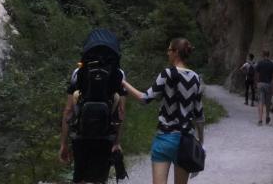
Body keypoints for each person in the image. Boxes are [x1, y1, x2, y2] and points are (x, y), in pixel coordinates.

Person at [123, 37, 205, 184]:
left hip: (165, 139)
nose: (167, 53)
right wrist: (201, 142)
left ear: (176, 52)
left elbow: (145, 98)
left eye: (169, 50)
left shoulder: (167, 74)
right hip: (186, 141)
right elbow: (199, 114)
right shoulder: (196, 78)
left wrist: (123, 83)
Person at [59, 28, 126, 184]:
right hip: (105, 134)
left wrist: (63, 143)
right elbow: (121, 112)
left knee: (80, 176)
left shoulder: (78, 72)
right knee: (100, 178)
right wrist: (117, 142)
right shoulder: (119, 74)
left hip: (81, 133)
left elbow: (68, 111)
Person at [254, 49, 273, 125]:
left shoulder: (260, 63)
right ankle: (267, 116)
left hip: (260, 84)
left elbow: (256, 74)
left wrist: (256, 82)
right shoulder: (272, 64)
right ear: (268, 55)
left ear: (263, 55)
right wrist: (272, 84)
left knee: (260, 102)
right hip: (268, 84)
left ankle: (260, 120)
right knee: (268, 102)